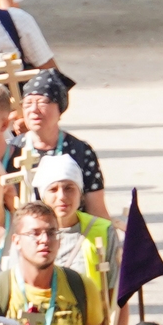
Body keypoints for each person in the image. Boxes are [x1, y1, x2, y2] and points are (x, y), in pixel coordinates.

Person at [35, 154, 119, 306]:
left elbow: (117, 293)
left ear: (80, 193)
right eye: (53, 189)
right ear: (43, 196)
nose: (62, 196)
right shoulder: (31, 233)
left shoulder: (102, 230)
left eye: (69, 188)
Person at [20, 71, 107, 217]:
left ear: (59, 108)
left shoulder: (80, 150)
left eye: (43, 102)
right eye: (28, 103)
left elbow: (96, 210)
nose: (34, 110)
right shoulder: (12, 149)